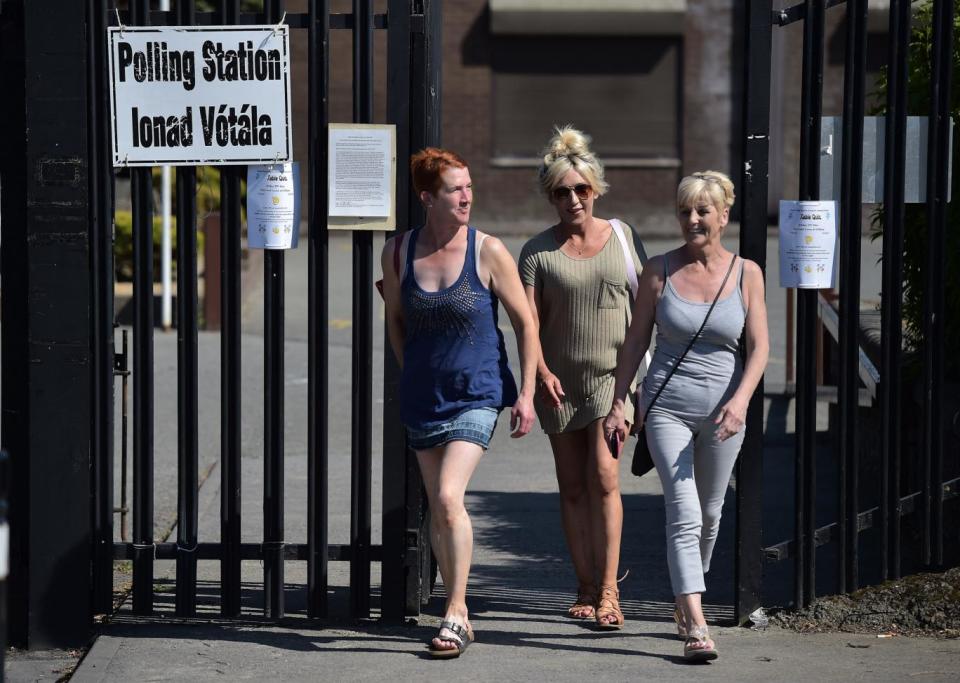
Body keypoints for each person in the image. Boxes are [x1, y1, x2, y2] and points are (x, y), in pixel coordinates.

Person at [603, 170, 769, 660]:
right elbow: (636, 341)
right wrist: (620, 401)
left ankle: (684, 595)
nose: (692, 219)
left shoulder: (747, 273)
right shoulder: (659, 270)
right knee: (685, 511)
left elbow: (759, 349)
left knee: (712, 512)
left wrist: (740, 401)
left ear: (723, 215)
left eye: (702, 211)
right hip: (666, 406)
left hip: (724, 411)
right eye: (684, 211)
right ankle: (695, 620)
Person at [380, 147, 538, 658]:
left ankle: (455, 611)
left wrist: (528, 392)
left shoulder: (488, 250)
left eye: (469, 185)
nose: (467, 196)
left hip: (478, 391)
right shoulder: (399, 251)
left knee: (449, 497)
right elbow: (397, 324)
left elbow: (525, 323)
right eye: (455, 189)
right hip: (424, 395)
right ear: (428, 197)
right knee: (440, 511)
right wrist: (414, 376)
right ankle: (458, 609)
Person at [519, 126, 644, 630]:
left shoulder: (621, 236)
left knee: (605, 477)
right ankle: (585, 587)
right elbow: (527, 326)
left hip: (614, 381)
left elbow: (645, 309)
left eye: (581, 189)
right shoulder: (536, 253)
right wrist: (542, 374)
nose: (573, 199)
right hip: (560, 384)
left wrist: (634, 382)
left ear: (595, 188)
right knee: (572, 488)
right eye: (562, 191)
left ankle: (611, 592)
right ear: (550, 196)